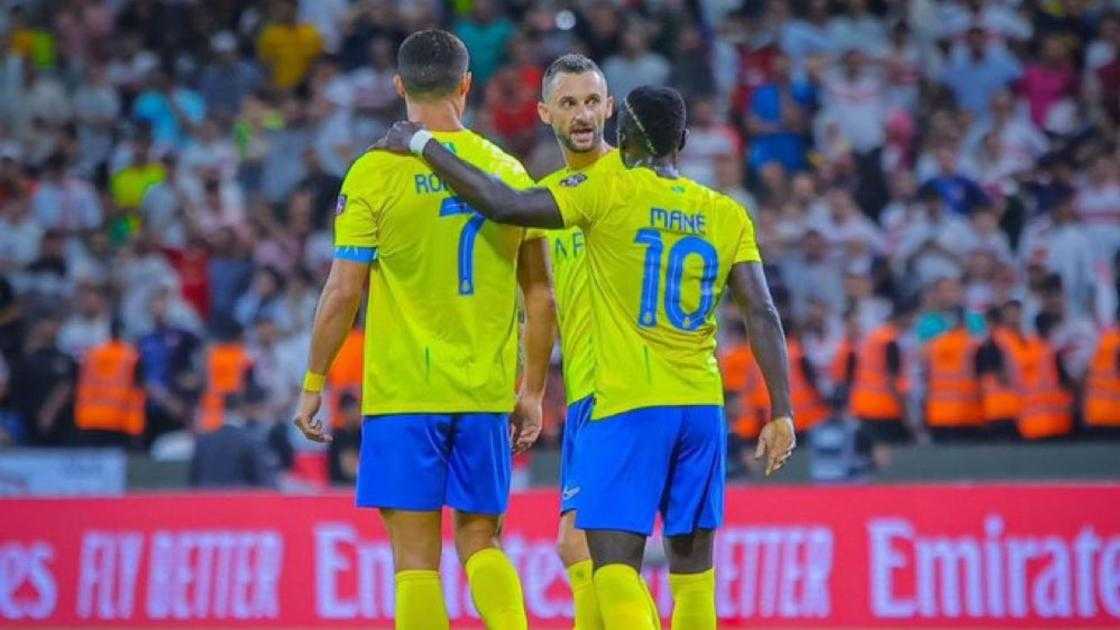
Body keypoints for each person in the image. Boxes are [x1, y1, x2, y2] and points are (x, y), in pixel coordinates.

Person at [375, 84, 796, 630]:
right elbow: (762, 312)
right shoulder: (726, 213)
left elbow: (505, 204)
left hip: (626, 403)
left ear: (619, 138)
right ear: (684, 141)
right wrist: (781, 410)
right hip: (700, 407)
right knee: (694, 579)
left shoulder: (605, 190)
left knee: (613, 569)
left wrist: (424, 144)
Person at [291, 30, 553, 630]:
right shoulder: (506, 170)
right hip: (485, 392)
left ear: (399, 86)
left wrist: (313, 382)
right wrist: (532, 390)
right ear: (467, 85)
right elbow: (540, 294)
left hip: (405, 393)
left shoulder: (374, 173)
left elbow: (342, 292)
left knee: (415, 563)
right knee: (482, 545)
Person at [531, 53, 656, 628]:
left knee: (589, 548)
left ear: (610, 108)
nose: (582, 115)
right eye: (568, 103)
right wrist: (534, 392)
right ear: (544, 114)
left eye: (591, 101)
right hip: (585, 388)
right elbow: (546, 304)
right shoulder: (551, 198)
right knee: (579, 549)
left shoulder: (633, 186)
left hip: (624, 389)